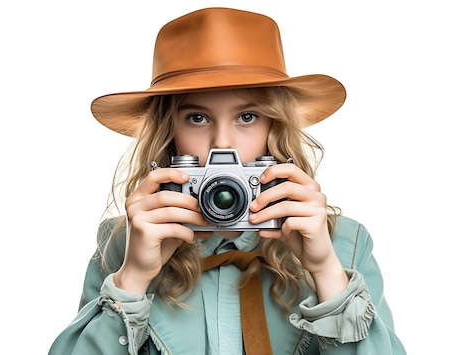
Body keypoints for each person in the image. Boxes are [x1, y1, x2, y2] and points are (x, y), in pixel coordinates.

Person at [49, 7, 406, 355]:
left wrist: (326, 271)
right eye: (197, 118)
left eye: (247, 116)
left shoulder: (344, 244)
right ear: (169, 131)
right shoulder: (123, 245)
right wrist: (133, 278)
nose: (223, 143)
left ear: (274, 127)